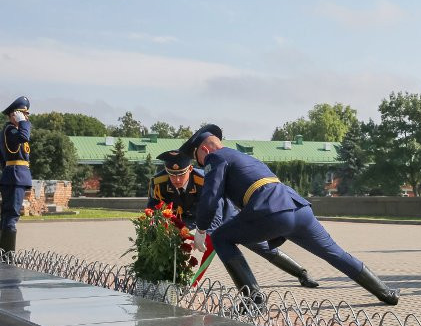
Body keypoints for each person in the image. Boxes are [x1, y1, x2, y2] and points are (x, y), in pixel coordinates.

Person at [179, 125, 399, 305]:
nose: (200, 164)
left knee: (220, 237)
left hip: (270, 212)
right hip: (298, 208)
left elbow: (211, 195)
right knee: (334, 252)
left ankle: (253, 300)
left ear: (205, 150)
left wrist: (201, 228)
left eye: (198, 159)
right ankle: (385, 293)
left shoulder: (214, 158)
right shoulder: (245, 157)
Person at [148, 150, 318, 288]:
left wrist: (202, 237)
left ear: (190, 170)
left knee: (260, 245)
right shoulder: (158, 182)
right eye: (172, 175)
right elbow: (153, 211)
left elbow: (215, 217)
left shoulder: (205, 180)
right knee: (167, 241)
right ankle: (169, 282)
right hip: (188, 218)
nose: (176, 180)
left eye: (181, 174)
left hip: (225, 216)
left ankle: (301, 273)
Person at [0, 96, 32, 256]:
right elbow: (24, 137)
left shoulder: (12, 131)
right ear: (14, 115)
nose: (27, 117)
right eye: (24, 114)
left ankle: (4, 253)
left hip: (13, 176)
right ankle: (8, 255)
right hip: (15, 177)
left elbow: (2, 160)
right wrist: (23, 123)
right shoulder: (11, 130)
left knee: (7, 215)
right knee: (12, 215)